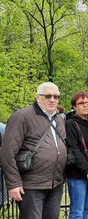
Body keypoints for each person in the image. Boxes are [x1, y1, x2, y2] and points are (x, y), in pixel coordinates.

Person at [0, 82, 67, 219]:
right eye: (48, 96)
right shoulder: (22, 116)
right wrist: (13, 184)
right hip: (31, 185)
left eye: (56, 96)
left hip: (56, 183)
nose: (52, 99)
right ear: (38, 97)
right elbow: (7, 152)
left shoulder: (59, 119)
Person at [65, 92, 88, 219]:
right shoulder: (70, 124)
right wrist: (87, 170)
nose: (85, 105)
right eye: (81, 103)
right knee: (77, 211)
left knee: (86, 209)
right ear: (74, 106)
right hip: (77, 173)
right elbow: (74, 149)